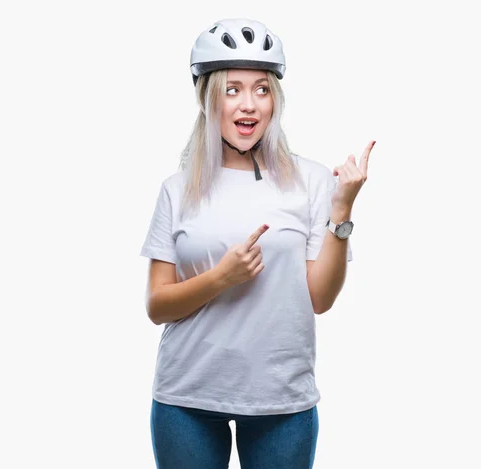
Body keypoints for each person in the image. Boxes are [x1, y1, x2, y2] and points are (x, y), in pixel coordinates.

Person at [139, 18, 375, 469]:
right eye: (232, 90)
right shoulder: (177, 188)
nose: (249, 105)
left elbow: (321, 299)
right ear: (208, 99)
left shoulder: (310, 181)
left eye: (262, 89)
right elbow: (157, 306)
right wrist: (221, 278)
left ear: (275, 100)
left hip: (281, 400)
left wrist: (341, 211)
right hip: (186, 397)